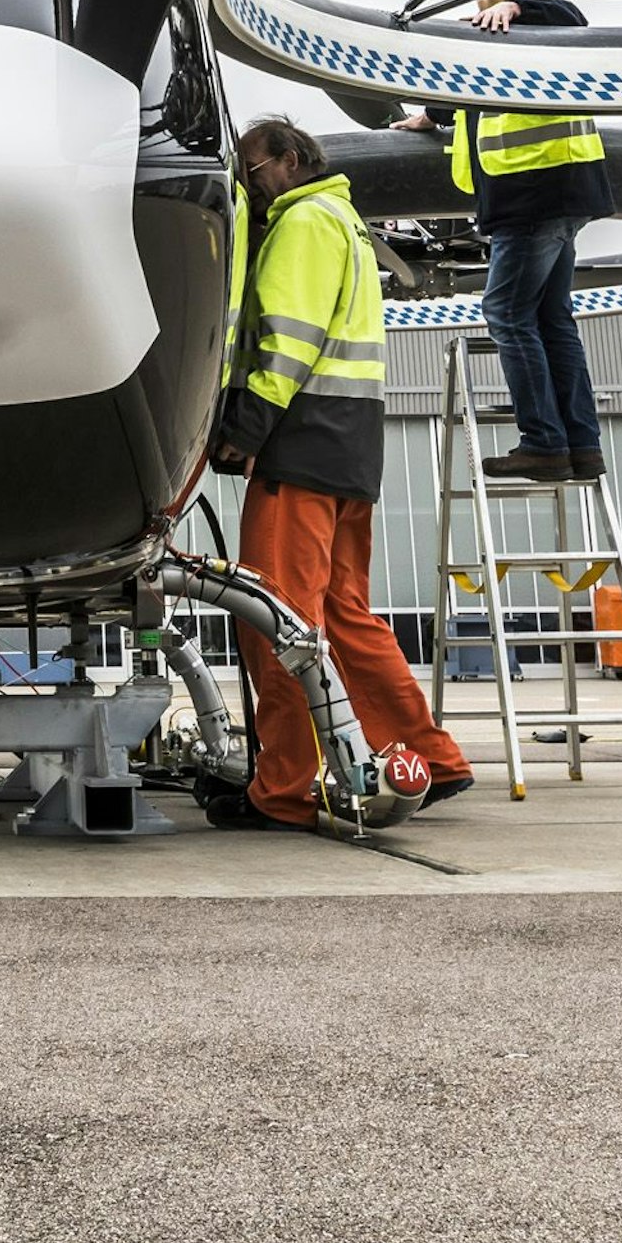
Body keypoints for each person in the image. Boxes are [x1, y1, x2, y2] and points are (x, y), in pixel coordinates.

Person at [212, 118, 475, 830]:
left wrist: (245, 430)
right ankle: (429, 756)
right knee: (341, 617)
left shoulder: (301, 223)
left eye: (253, 166)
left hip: (299, 448)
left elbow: (289, 341)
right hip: (348, 452)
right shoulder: (346, 221)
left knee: (279, 625)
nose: (247, 182)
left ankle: (286, 791)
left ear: (292, 161)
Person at [420, 0, 615, 484]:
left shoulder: (537, 24)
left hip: (531, 196)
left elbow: (573, 17)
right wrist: (429, 116)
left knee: (507, 314)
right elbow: (464, 94)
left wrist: (520, 8)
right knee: (552, 319)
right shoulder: (498, 50)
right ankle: (581, 445)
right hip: (556, 197)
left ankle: (545, 444)